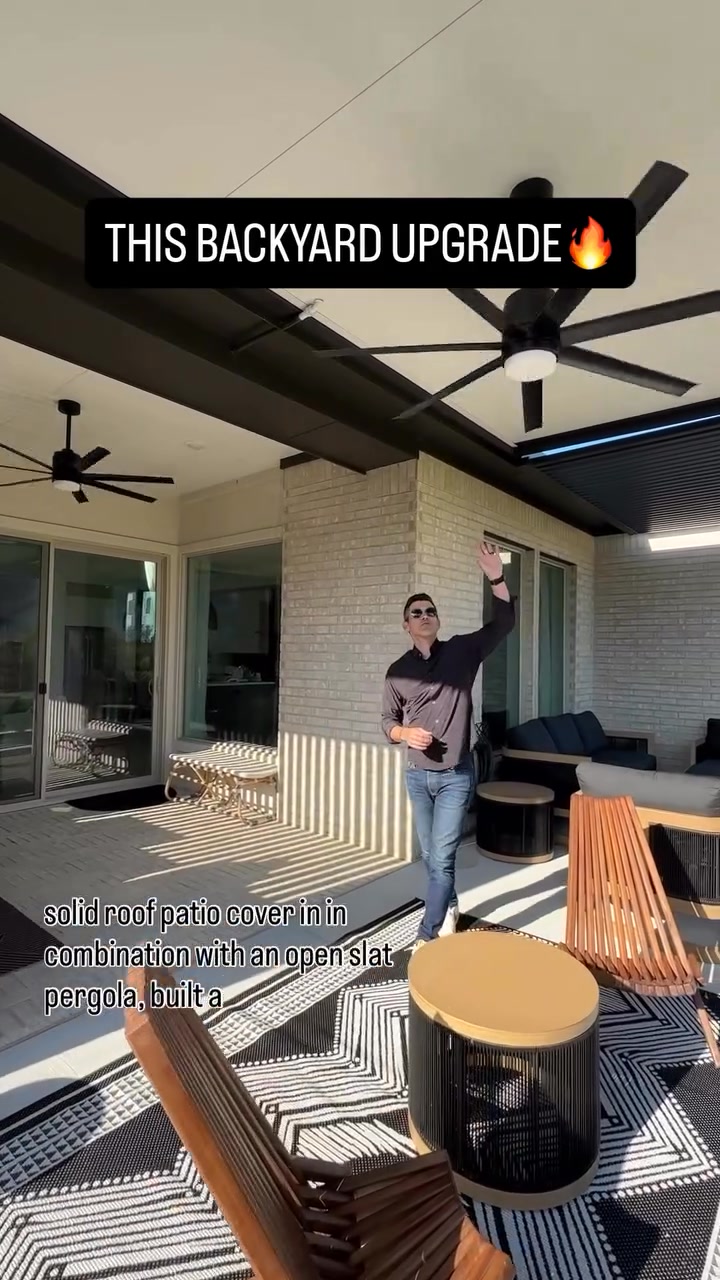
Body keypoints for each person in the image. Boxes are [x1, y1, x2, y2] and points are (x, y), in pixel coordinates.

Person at [381, 542, 515, 952]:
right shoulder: (398, 672)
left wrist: (496, 576)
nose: (425, 615)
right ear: (406, 625)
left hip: (456, 775)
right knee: (432, 856)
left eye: (430, 611)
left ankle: (427, 934)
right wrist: (405, 734)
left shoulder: (462, 651)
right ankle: (451, 906)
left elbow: (503, 623)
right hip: (417, 777)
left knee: (441, 855)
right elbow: (387, 722)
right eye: (416, 613)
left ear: (437, 620)